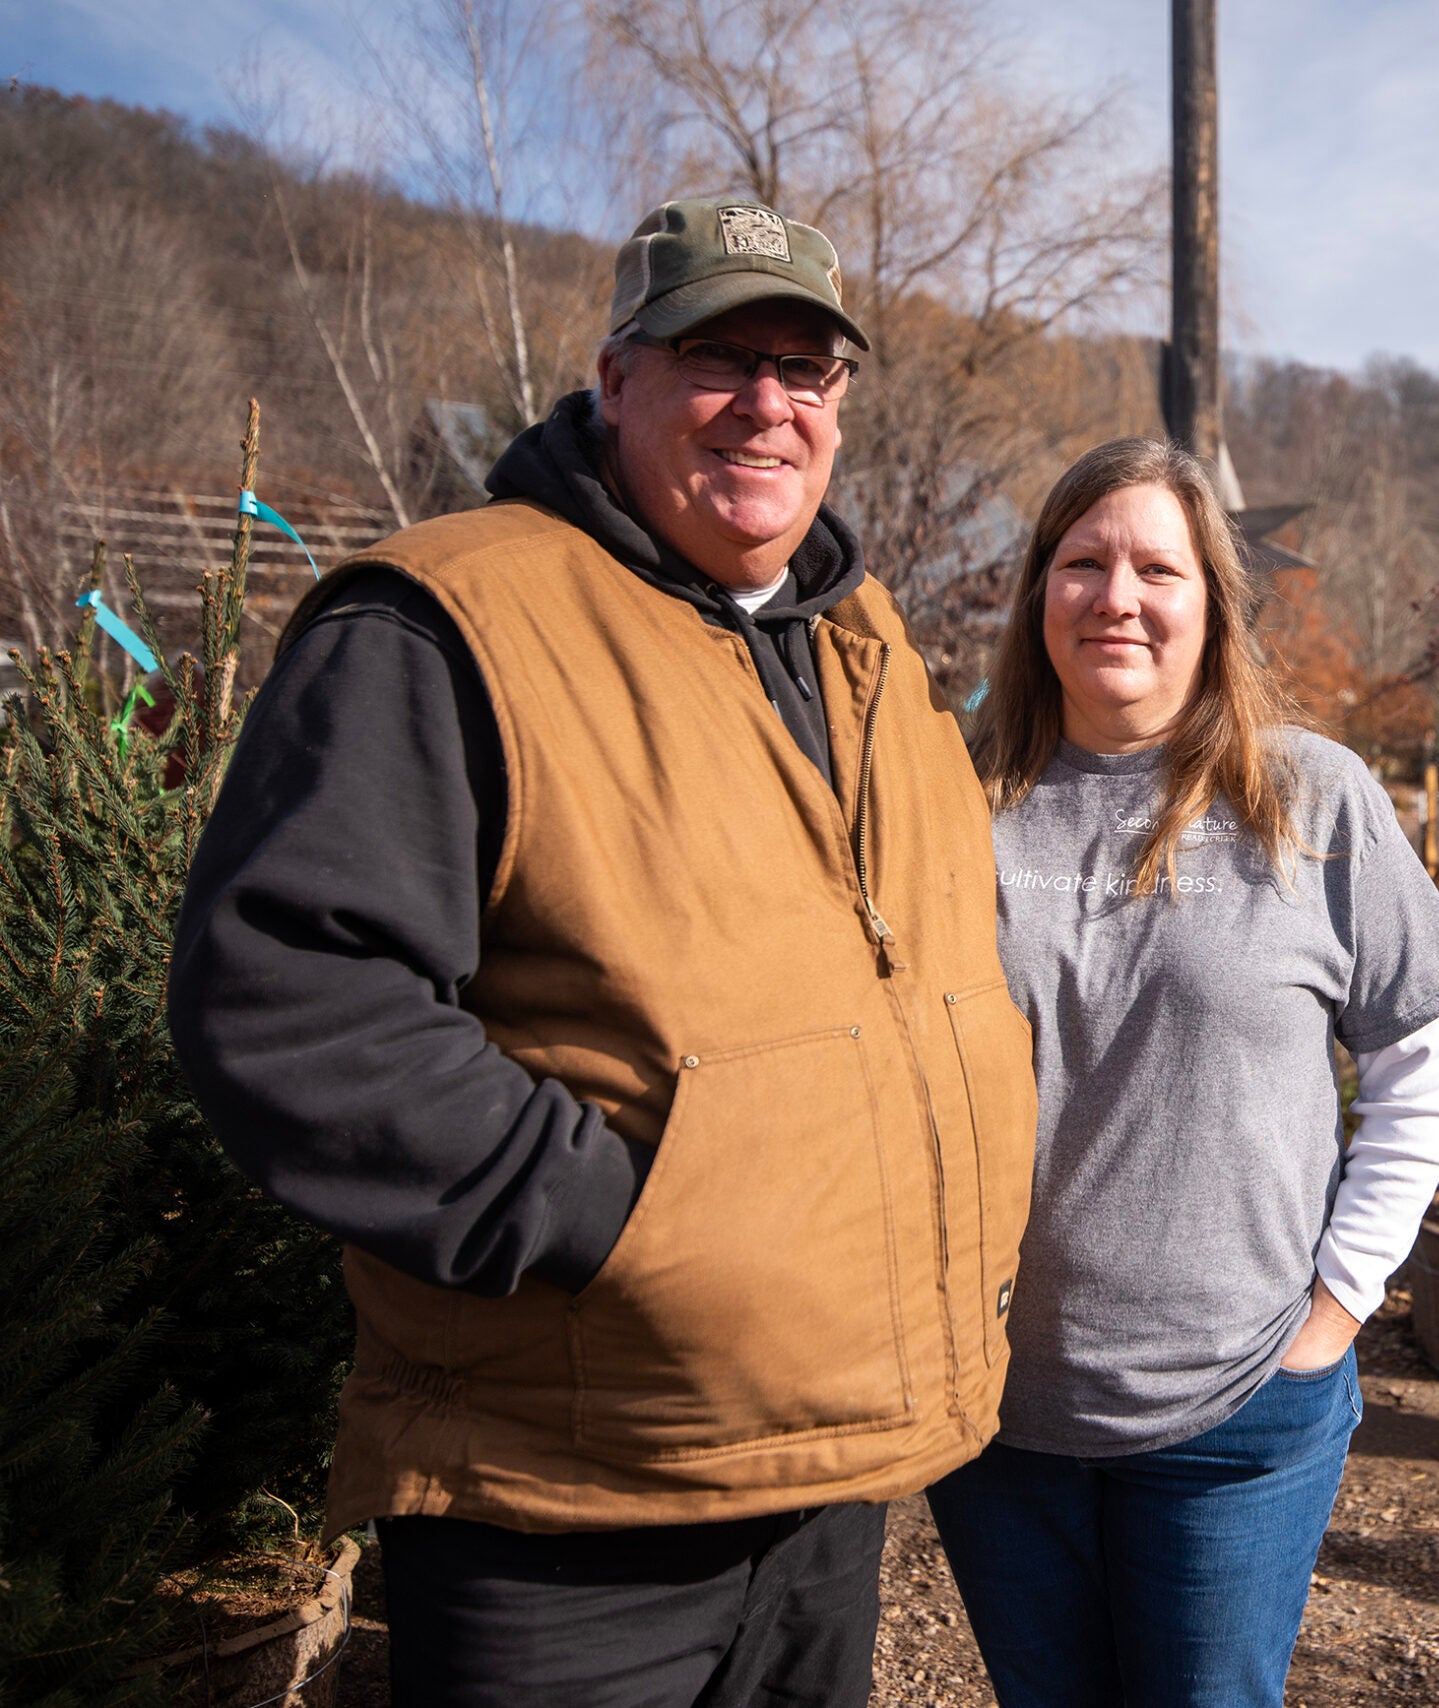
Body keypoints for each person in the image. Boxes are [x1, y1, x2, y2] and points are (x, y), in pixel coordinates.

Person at [166, 198, 1036, 1708]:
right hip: (570, 1503)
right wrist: (621, 1221)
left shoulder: (871, 643)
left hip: (832, 1480)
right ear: (614, 375)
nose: (768, 402)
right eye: (719, 355)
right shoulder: (448, 618)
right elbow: (293, 994)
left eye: (809, 368)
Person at [929, 437, 1439, 1706]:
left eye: (1155, 567)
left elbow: (1419, 1059)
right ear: (1036, 597)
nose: (1116, 595)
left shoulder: (1308, 797)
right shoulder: (961, 801)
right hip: (998, 1411)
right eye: (1081, 562)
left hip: (1236, 1402)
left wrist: (1339, 1301)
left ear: (1211, 605)